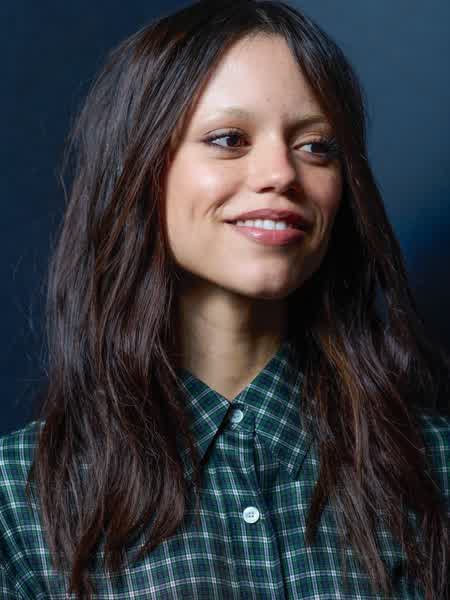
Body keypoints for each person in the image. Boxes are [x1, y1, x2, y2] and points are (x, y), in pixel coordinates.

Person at [1, 1, 449, 598]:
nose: (280, 173)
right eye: (229, 139)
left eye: (316, 146)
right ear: (138, 168)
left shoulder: (436, 466)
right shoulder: (17, 502)